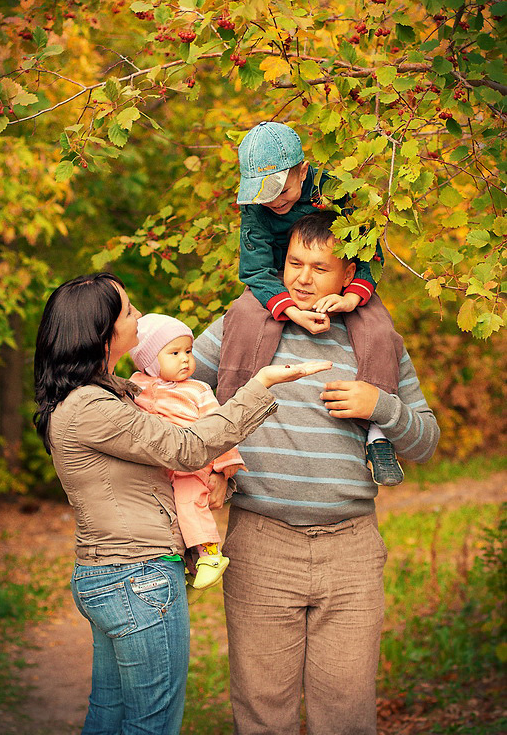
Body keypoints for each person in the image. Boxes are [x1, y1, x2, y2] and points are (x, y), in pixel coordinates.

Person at [33, 271, 331, 735]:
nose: (138, 315)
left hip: (112, 573)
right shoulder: (92, 406)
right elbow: (186, 447)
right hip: (137, 577)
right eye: (128, 311)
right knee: (152, 724)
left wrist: (219, 477)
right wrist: (261, 386)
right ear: (102, 332)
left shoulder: (94, 397)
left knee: (110, 715)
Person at [192, 212, 440, 735]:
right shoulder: (243, 324)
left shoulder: (377, 340)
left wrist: (381, 405)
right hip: (261, 543)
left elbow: (426, 442)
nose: (302, 279)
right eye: (294, 263)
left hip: (351, 551)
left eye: (319, 268)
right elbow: (180, 391)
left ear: (350, 274)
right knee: (262, 714)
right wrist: (209, 464)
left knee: (346, 716)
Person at [235, 120, 403, 486]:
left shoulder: (336, 190)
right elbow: (255, 269)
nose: (273, 201)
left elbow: (368, 249)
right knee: (242, 315)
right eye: (263, 194)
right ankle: (230, 413)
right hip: (277, 283)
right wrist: (292, 310)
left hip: (343, 280)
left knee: (377, 328)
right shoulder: (256, 208)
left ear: (303, 171)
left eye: (282, 189)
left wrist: (351, 297)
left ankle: (377, 434)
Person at [129, 313, 246, 594]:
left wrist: (225, 464)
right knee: (168, 516)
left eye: (189, 352)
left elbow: (219, 427)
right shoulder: (133, 386)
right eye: (175, 353)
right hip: (156, 467)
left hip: (191, 465)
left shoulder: (198, 390)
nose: (185, 359)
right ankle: (189, 570)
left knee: (188, 500)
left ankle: (210, 554)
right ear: (149, 360)